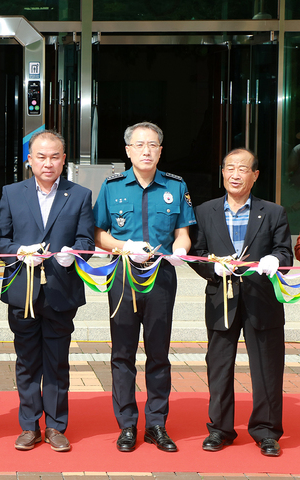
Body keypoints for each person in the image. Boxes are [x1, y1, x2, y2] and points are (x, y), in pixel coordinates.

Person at [93, 121, 196, 453]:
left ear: (160, 150)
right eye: (139, 145)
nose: (146, 151)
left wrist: (181, 249)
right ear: (128, 151)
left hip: (162, 278)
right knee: (122, 353)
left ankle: (156, 424)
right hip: (123, 277)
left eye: (152, 145)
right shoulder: (111, 187)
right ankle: (126, 424)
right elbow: (98, 233)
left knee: (158, 353)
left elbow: (183, 231)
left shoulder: (176, 186)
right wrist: (123, 248)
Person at [0, 130, 94, 452]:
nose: (47, 163)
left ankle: (55, 426)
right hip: (22, 291)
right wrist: (19, 251)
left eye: (54, 157)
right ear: (29, 160)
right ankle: (28, 426)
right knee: (26, 362)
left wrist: (73, 253)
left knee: (57, 362)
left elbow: (87, 241)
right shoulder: (11, 193)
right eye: (41, 156)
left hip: (61, 291)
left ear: (64, 160)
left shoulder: (79, 195)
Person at [189, 148, 292, 457]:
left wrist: (275, 259)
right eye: (229, 168)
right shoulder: (206, 211)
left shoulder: (273, 212)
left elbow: (284, 252)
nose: (235, 174)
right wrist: (212, 268)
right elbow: (196, 252)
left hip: (263, 300)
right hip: (222, 300)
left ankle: (266, 430)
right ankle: (220, 429)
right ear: (222, 172)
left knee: (268, 368)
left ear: (255, 175)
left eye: (242, 169)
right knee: (219, 367)